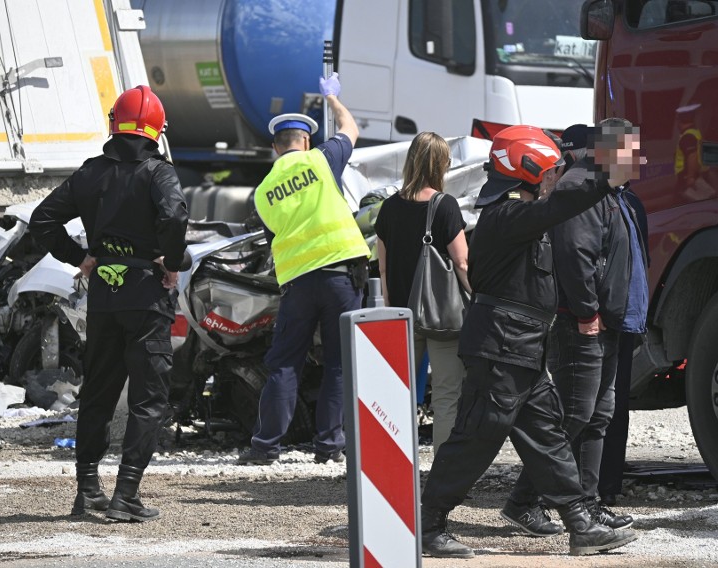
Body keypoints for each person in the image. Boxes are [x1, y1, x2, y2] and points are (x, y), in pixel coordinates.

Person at [419, 124, 638, 559]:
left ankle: (581, 525)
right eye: (551, 168)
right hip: (501, 348)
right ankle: (427, 525)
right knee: (476, 438)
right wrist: (602, 173)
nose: (555, 176)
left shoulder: (518, 219)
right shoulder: (507, 217)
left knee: (549, 438)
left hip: (522, 350)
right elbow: (558, 208)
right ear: (528, 168)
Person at [29, 85, 188, 522]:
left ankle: (88, 493)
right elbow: (174, 217)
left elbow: (42, 220)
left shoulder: (90, 172)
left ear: (114, 124)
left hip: (103, 297)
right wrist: (172, 263)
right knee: (148, 398)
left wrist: (80, 258)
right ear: (156, 129)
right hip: (146, 296)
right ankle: (126, 496)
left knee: (97, 393)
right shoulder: (160, 172)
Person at [503, 119, 649, 534]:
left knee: (596, 416)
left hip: (605, 322)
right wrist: (587, 312)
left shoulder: (606, 188)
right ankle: (523, 502)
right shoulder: (583, 187)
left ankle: (587, 503)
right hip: (582, 324)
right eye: (633, 151)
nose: (640, 159)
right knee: (573, 416)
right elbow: (574, 255)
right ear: (610, 151)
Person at [237, 73, 370, 466]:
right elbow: (351, 129)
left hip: (298, 282)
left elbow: (271, 236)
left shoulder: (262, 192)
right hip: (343, 275)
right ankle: (329, 446)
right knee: (339, 364)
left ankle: (265, 448)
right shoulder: (322, 159)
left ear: (275, 149)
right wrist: (332, 100)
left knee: (284, 364)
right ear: (305, 142)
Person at [374, 132, 471, 454]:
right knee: (446, 394)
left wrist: (392, 307)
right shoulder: (444, 206)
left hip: (403, 314)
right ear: (440, 164)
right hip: (443, 317)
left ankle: (395, 462)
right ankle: (443, 470)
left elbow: (383, 268)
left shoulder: (387, 208)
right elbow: (461, 261)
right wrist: (476, 297)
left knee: (398, 392)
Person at [599, 187, 649, 506]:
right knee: (595, 406)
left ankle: (607, 486)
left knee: (614, 406)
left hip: (623, 316)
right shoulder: (601, 202)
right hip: (603, 316)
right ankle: (593, 487)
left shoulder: (631, 203)